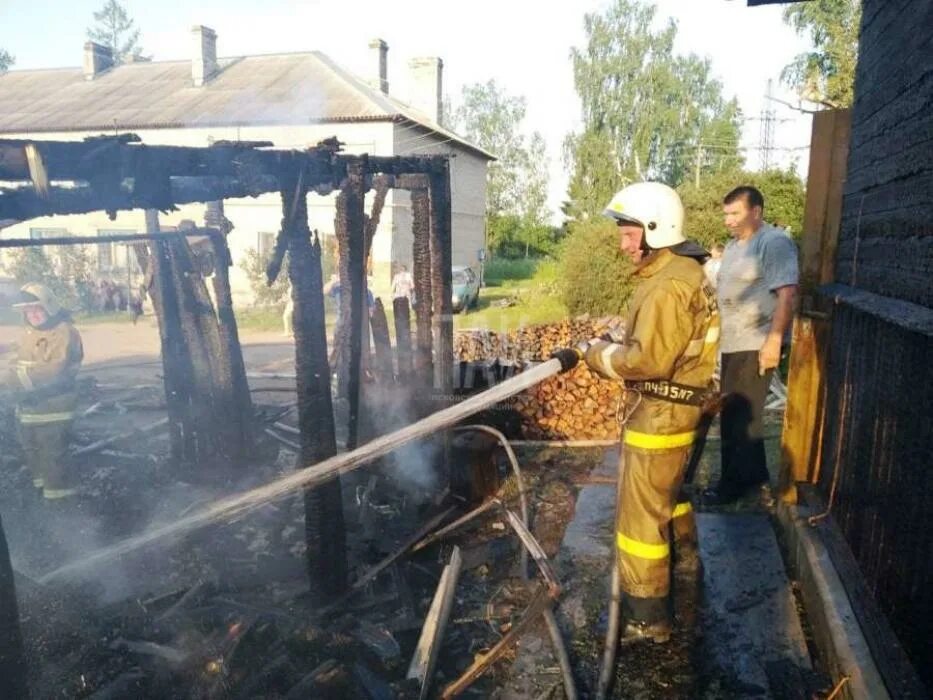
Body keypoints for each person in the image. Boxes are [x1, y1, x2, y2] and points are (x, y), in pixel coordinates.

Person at [551, 182, 719, 644]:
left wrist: (596, 355)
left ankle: (647, 618)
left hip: (661, 412)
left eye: (629, 235)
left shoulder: (667, 286)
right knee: (670, 492)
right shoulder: (682, 272)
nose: (623, 245)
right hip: (680, 407)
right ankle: (684, 560)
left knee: (640, 517)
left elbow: (647, 360)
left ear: (655, 231)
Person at [705, 186, 798, 505]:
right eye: (726, 214)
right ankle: (755, 478)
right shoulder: (733, 248)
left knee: (737, 415)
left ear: (756, 212)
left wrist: (773, 342)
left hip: (758, 342)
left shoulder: (773, 243)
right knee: (743, 412)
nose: (728, 220)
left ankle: (731, 488)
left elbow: (787, 294)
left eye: (735, 213)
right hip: (733, 342)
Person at [2, 283, 84, 499]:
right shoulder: (29, 332)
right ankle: (42, 495)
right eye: (28, 310)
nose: (33, 314)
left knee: (53, 457)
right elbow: (17, 360)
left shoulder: (64, 332)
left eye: (37, 308)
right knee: (33, 454)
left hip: (54, 408)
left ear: (49, 306)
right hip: (30, 408)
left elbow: (54, 370)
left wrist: (12, 378)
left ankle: (61, 507)